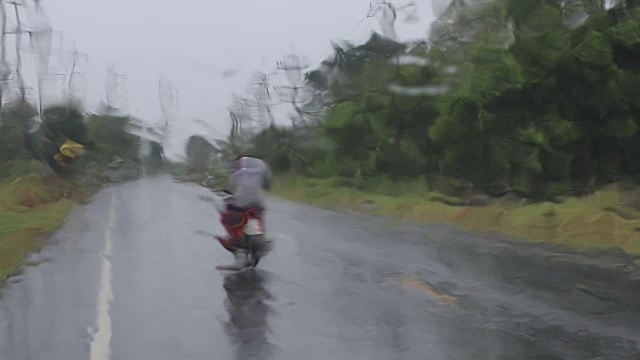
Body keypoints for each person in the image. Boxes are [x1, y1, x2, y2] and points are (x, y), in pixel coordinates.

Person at [217, 155, 272, 264]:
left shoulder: (237, 171)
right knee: (259, 214)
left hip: (241, 203)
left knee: (229, 215)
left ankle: (235, 238)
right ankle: (261, 239)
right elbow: (268, 183)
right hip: (258, 202)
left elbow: (232, 188)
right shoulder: (262, 164)